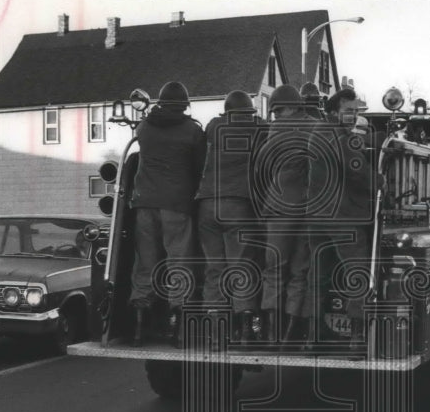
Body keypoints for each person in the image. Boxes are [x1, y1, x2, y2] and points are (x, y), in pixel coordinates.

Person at [129, 81, 206, 346]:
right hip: (176, 204)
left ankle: (139, 325)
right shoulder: (192, 131)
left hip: (144, 203)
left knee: (146, 262)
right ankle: (178, 328)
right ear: (184, 105)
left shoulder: (144, 128)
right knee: (178, 262)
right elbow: (200, 168)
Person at [301, 86, 378, 345]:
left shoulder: (317, 133)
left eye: (356, 111)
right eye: (348, 111)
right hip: (343, 217)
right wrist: (381, 183)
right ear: (334, 111)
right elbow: (358, 171)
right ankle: (357, 336)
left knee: (318, 274)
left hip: (316, 217)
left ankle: (314, 334)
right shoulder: (341, 137)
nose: (353, 116)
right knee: (357, 273)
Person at [195, 90, 266, 345]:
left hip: (206, 205)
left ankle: (215, 333)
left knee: (214, 268)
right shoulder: (257, 128)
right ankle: (246, 331)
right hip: (237, 205)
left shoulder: (215, 126)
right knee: (241, 266)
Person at [254, 84, 317, 344]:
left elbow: (261, 166)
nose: (277, 114)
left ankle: (271, 334)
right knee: (299, 270)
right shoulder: (317, 126)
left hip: (278, 207)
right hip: (306, 209)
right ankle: (291, 333)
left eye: (279, 110)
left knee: (274, 269)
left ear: (292, 107)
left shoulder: (275, 130)